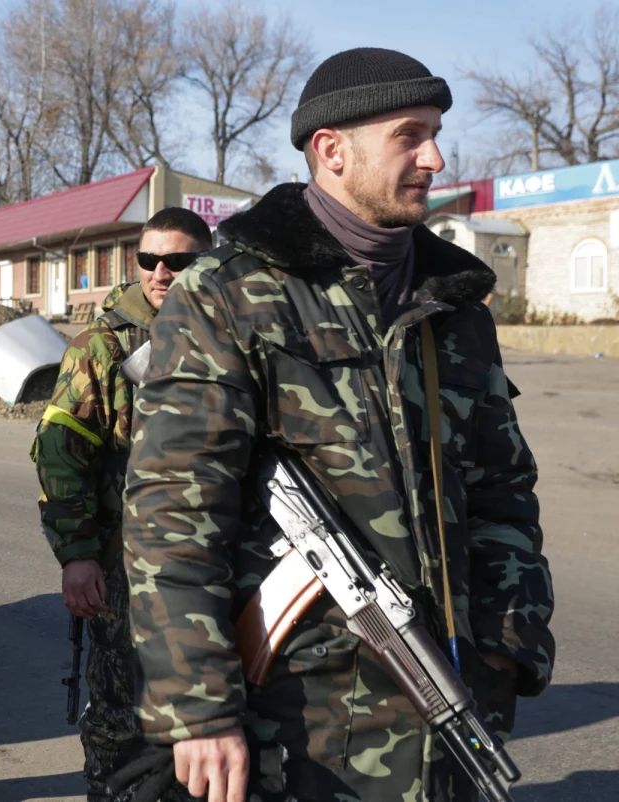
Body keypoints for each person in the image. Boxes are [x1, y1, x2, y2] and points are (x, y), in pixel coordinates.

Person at [121, 48, 555, 802]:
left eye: (437, 132)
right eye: (410, 135)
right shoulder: (230, 294)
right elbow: (172, 511)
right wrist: (197, 708)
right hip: (302, 726)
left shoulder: (452, 306)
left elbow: (502, 487)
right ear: (332, 150)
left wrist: (508, 644)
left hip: (447, 691)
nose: (436, 156)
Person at [31, 207, 213, 802]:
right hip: (126, 568)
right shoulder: (103, 345)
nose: (161, 271)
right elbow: (60, 452)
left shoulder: (234, 337)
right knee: (119, 718)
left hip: (220, 566)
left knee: (213, 717)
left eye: (178, 261)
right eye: (149, 260)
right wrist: (78, 555)